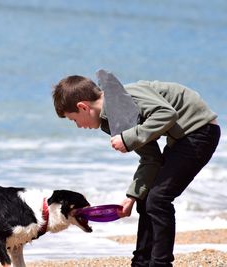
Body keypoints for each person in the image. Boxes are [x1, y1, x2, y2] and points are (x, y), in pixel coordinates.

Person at [52, 74, 220, 267]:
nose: (79, 126)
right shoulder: (111, 119)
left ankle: (160, 263)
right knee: (145, 199)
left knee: (158, 200)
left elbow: (167, 113)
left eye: (74, 120)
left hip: (200, 130)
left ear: (83, 107)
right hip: (182, 139)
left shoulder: (124, 98)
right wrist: (132, 196)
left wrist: (129, 138)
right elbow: (151, 159)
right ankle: (141, 262)